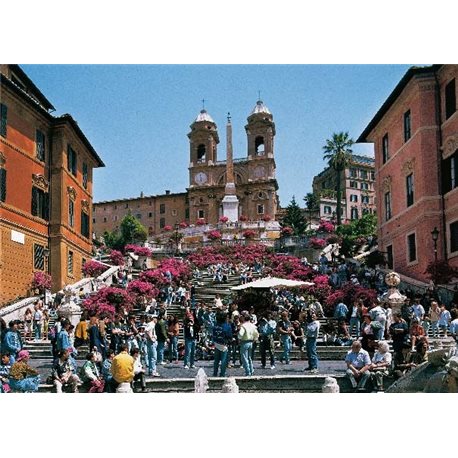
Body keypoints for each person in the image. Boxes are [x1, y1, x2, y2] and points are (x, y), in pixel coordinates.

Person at [238, 311, 259, 376]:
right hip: (251, 342)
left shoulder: (243, 326)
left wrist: (239, 340)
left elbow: (240, 335)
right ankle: (251, 370)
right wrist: (254, 340)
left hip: (244, 342)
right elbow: (257, 335)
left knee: (244, 357)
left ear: (244, 319)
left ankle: (248, 371)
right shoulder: (253, 326)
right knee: (249, 357)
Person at [212, 312, 232, 377]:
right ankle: (222, 374)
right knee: (223, 360)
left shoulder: (215, 325)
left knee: (216, 360)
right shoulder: (227, 326)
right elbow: (229, 335)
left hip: (216, 343)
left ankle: (215, 373)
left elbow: (213, 334)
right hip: (224, 344)